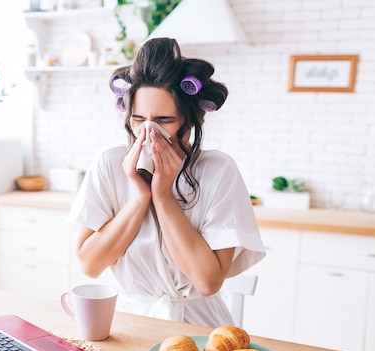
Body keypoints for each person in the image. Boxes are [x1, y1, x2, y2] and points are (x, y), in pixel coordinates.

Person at [66, 38, 265, 328]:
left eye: (164, 120)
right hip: (128, 324)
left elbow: (207, 281)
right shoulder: (109, 164)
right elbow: (90, 265)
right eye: (138, 119)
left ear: (190, 121)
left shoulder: (219, 170)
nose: (148, 131)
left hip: (199, 327)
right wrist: (138, 199)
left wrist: (163, 196)